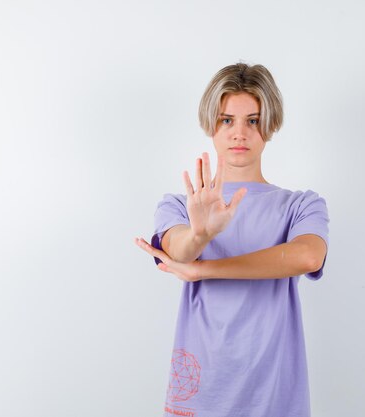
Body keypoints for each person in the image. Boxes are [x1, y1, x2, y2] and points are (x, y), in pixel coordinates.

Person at [134, 62, 330, 417]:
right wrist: (200, 233)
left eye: (252, 121)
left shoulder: (301, 205)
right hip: (201, 394)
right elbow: (177, 249)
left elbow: (308, 256)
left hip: (274, 398)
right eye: (227, 120)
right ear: (211, 124)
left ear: (269, 126)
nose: (239, 133)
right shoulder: (179, 204)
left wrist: (204, 269)